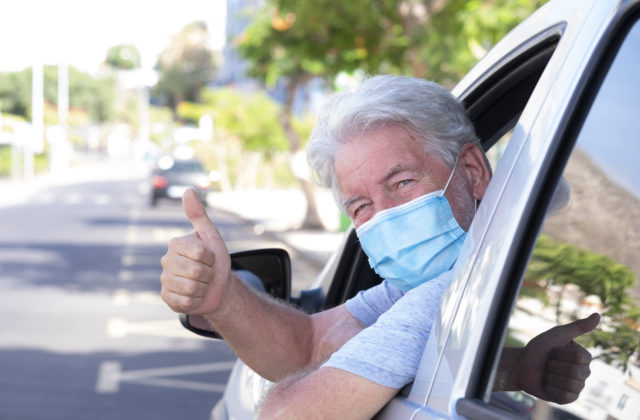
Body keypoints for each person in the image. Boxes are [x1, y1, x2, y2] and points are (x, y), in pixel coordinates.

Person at [160, 75, 599, 419]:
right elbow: (312, 345)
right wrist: (222, 297)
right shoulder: (420, 284)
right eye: (362, 206)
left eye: (403, 183)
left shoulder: (441, 296)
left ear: (472, 170)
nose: (387, 214)